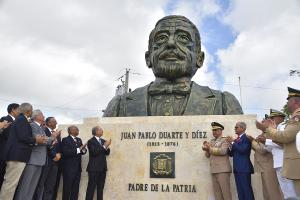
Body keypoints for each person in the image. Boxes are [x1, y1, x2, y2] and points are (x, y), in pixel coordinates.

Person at [104, 15, 243, 117]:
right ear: (148, 58)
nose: (170, 43)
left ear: (199, 59)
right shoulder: (119, 105)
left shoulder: (225, 103)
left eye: (183, 38)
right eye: (161, 38)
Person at [256, 87, 300, 196]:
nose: (287, 103)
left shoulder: (296, 117)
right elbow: (284, 142)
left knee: (292, 194)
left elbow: (286, 137)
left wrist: (266, 129)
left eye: (288, 100)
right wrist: (265, 139)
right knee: (289, 194)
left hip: (290, 162)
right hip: (287, 163)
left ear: (295, 101)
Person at [0, 103, 48, 200]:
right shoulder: (22, 120)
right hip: (16, 156)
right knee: (10, 184)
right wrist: (35, 140)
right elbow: (23, 137)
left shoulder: (21, 120)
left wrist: (34, 139)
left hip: (18, 156)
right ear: (28, 111)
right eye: (31, 110)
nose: (32, 112)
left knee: (12, 184)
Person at [15, 110, 58, 200]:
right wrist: (52, 137)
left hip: (40, 160)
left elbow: (44, 140)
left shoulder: (41, 127)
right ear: (36, 116)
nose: (44, 116)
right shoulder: (32, 125)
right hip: (33, 159)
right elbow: (40, 140)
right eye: (42, 115)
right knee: (26, 185)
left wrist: (50, 140)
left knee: (32, 185)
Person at [261, 109, 298, 199]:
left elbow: (283, 144)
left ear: (280, 118)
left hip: (285, 163)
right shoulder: (275, 129)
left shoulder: (283, 127)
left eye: (273, 117)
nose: (271, 119)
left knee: (292, 193)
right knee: (286, 192)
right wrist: (264, 143)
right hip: (279, 163)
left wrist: (267, 141)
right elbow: (272, 149)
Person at [249, 110, 283, 200]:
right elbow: (258, 149)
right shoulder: (262, 134)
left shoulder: (270, 133)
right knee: (266, 192)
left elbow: (262, 150)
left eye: (264, 120)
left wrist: (252, 141)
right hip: (263, 166)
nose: (262, 122)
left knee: (272, 192)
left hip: (269, 166)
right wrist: (253, 143)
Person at [202, 122, 232, 200]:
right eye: (213, 130)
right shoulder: (212, 141)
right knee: (217, 193)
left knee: (226, 193)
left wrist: (210, 148)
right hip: (214, 170)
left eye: (215, 130)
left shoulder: (225, 140)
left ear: (220, 130)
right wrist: (206, 150)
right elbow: (207, 156)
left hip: (223, 170)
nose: (214, 132)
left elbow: (223, 151)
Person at [227, 122, 254, 200]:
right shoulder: (236, 140)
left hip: (244, 168)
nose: (235, 128)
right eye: (235, 127)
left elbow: (243, 150)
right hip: (237, 169)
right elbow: (231, 154)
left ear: (243, 128)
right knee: (240, 191)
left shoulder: (246, 138)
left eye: (236, 127)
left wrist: (232, 142)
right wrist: (229, 145)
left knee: (246, 190)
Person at [85, 126, 111, 200]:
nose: (102, 130)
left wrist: (106, 146)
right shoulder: (90, 141)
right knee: (91, 188)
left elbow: (107, 152)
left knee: (100, 189)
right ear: (95, 132)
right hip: (93, 169)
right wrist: (104, 146)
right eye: (100, 129)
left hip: (102, 168)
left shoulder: (103, 141)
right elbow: (94, 153)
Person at [61, 125, 87, 200]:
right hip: (68, 169)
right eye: (76, 129)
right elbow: (66, 152)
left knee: (75, 189)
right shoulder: (65, 140)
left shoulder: (79, 139)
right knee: (67, 188)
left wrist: (84, 150)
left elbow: (82, 151)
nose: (78, 131)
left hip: (78, 169)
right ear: (71, 131)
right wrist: (79, 149)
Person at [39, 117, 62, 200]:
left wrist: (59, 154)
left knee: (51, 185)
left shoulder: (57, 133)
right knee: (41, 184)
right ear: (48, 123)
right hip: (46, 160)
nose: (56, 122)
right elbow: (45, 145)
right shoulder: (43, 131)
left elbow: (59, 146)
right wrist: (54, 155)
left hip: (55, 162)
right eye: (54, 121)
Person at [0, 103, 19, 190]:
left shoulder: (16, 121)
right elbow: (6, 135)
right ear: (13, 110)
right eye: (18, 109)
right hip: (4, 152)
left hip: (11, 153)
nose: (20, 112)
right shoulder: (5, 119)